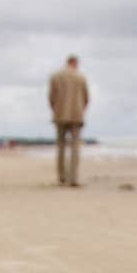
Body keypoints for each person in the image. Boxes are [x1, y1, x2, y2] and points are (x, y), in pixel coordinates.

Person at [48, 55, 89, 187]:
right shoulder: (80, 77)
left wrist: (55, 109)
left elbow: (51, 97)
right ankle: (73, 178)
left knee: (61, 147)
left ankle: (61, 177)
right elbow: (86, 98)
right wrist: (81, 109)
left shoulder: (56, 76)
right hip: (76, 115)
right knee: (75, 148)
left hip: (60, 114)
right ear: (75, 63)